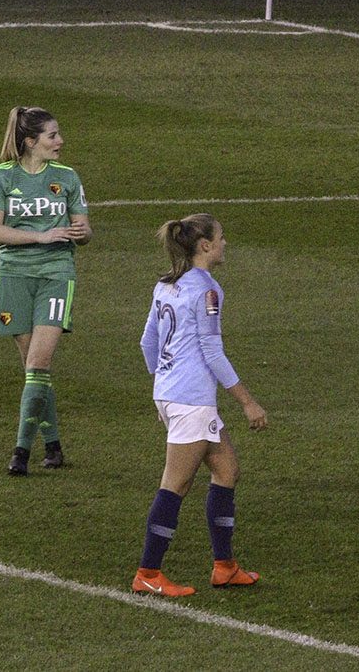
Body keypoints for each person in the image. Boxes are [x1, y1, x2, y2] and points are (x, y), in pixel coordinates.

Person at [134, 213, 268, 597]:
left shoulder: (166, 284)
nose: (225, 244)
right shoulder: (207, 291)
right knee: (175, 484)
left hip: (173, 393)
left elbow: (148, 341)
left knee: (227, 469)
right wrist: (247, 402)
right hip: (190, 400)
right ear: (205, 245)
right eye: (221, 238)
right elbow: (212, 350)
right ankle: (148, 572)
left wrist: (164, 380)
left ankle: (225, 567)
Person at [0, 106, 92, 476]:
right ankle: (55, 444)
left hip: (57, 273)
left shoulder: (67, 176)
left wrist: (81, 233)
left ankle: (20, 452)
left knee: (38, 364)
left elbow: (85, 228)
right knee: (34, 369)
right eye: (52, 136)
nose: (60, 141)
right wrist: (40, 235)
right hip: (13, 275)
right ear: (30, 142)